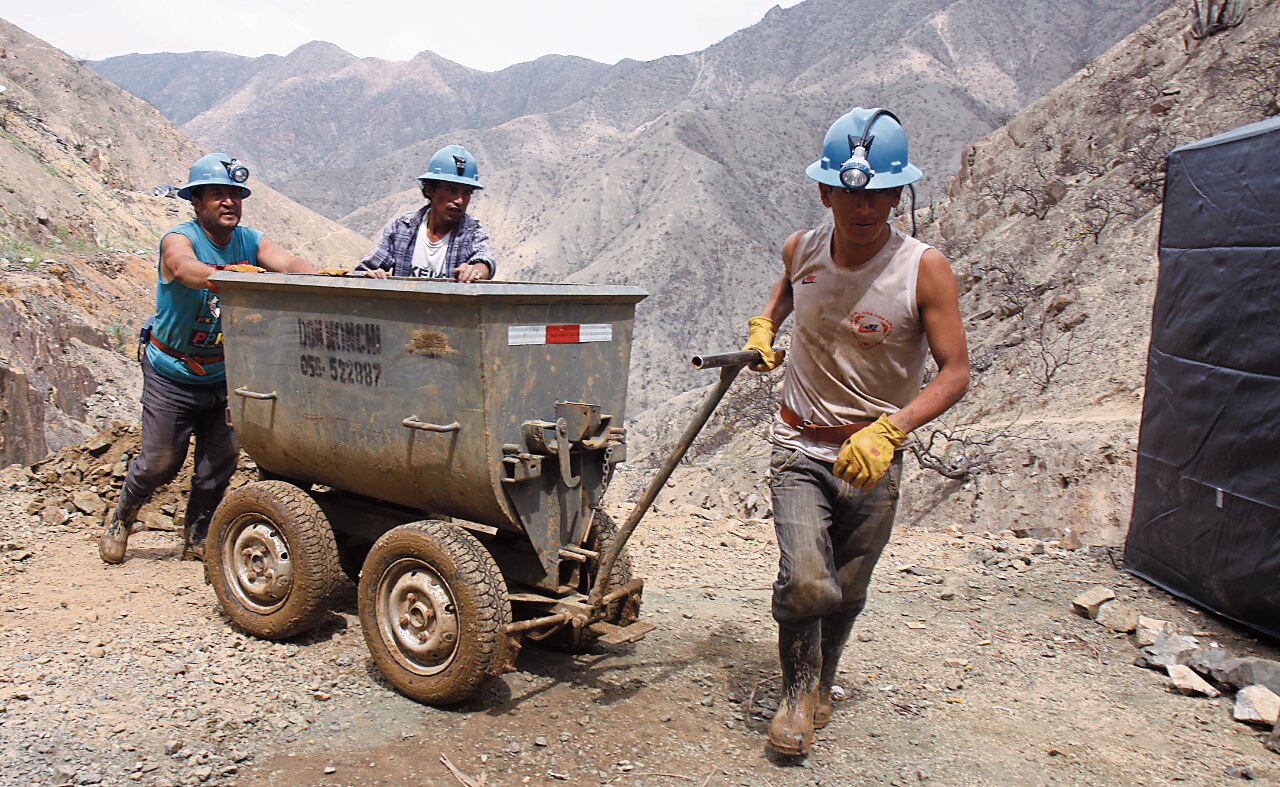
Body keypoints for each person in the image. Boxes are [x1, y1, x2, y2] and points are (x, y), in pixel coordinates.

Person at [742, 108, 970, 757]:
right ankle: (795, 695)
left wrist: (892, 429)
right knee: (807, 578)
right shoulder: (802, 248)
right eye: (850, 193)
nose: (864, 207)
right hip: (798, 443)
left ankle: (824, 679)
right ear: (825, 191)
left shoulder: (924, 270)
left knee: (849, 584)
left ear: (899, 194)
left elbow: (955, 372)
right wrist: (765, 324)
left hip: (872, 453)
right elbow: (788, 288)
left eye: (878, 194)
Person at [98, 152, 320, 564]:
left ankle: (197, 536)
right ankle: (123, 513)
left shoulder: (250, 240)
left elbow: (287, 262)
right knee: (159, 462)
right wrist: (234, 275)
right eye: (217, 195)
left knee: (219, 462)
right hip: (173, 373)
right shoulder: (178, 239)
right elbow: (183, 269)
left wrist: (320, 275)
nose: (229, 203)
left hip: (223, 374)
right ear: (197, 202)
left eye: (235, 195)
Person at [355, 144, 495, 282]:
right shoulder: (402, 228)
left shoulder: (471, 233)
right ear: (429, 190)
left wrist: (476, 271)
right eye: (451, 190)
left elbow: (484, 259)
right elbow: (364, 271)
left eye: (467, 193)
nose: (460, 200)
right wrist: (371, 276)